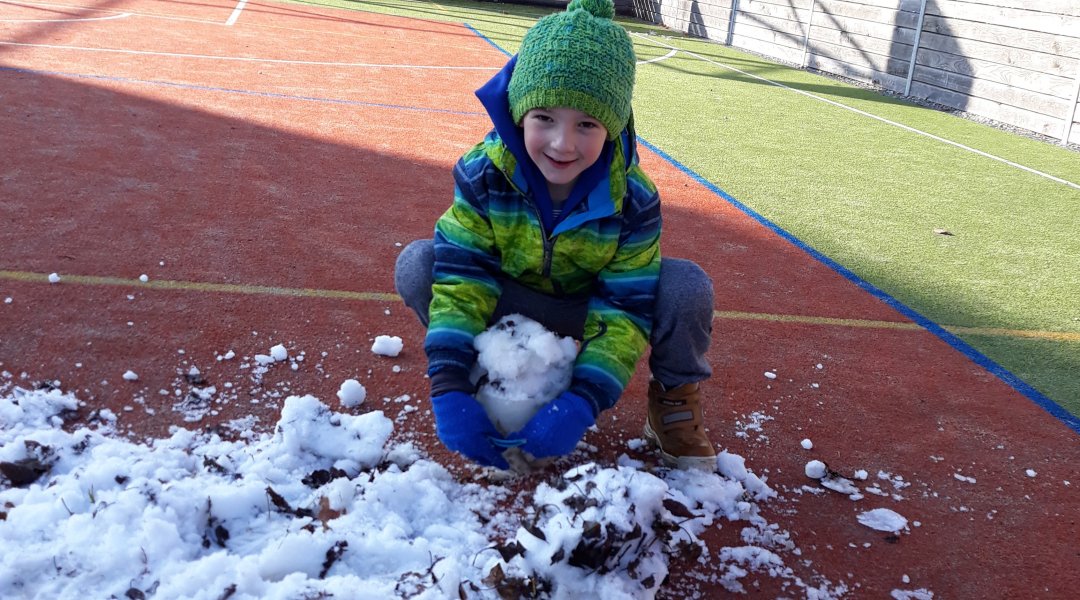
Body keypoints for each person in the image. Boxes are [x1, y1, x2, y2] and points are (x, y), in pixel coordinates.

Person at [395, 0, 716, 471]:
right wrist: (447, 383)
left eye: (586, 124)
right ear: (519, 113)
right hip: (506, 300)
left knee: (685, 286)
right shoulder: (483, 175)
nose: (563, 143)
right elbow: (464, 279)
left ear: (612, 128)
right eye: (544, 117)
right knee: (421, 263)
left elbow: (623, 308)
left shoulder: (634, 199)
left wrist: (584, 398)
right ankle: (487, 374)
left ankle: (672, 404)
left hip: (582, 313)